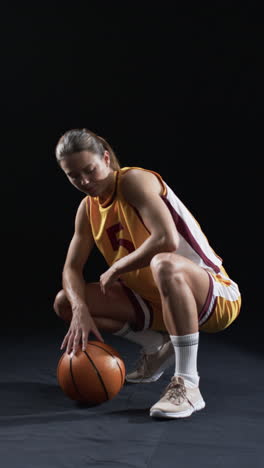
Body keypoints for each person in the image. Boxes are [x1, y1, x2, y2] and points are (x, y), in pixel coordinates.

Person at [53, 128, 241, 419]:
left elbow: (167, 239)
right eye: (73, 176)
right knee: (65, 301)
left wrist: (118, 266)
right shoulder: (87, 209)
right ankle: (156, 348)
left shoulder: (132, 180)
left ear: (105, 157)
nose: (85, 181)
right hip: (157, 303)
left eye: (89, 170)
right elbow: (71, 268)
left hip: (213, 295)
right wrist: (80, 308)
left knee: (164, 263)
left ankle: (188, 384)